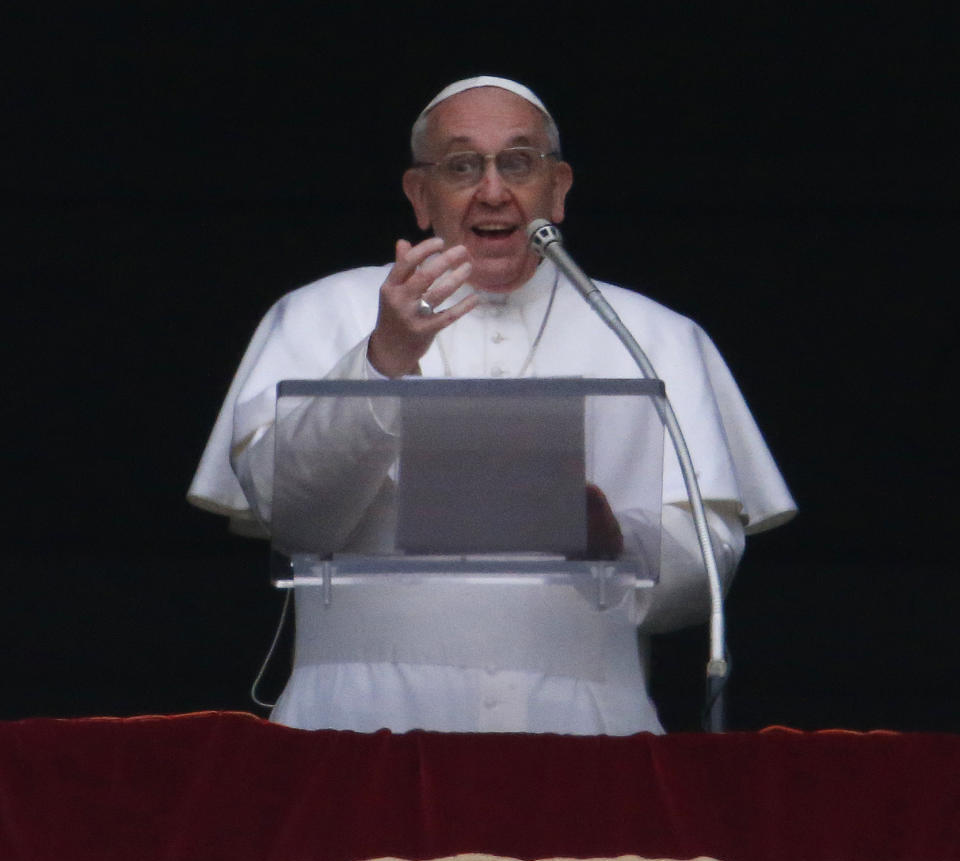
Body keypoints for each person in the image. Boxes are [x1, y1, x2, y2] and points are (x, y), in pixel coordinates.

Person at [189, 76, 796, 735]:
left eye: (518, 161)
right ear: (419, 196)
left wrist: (616, 540)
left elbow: (707, 567)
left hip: (587, 734)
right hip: (355, 729)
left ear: (557, 189)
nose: (493, 189)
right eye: (460, 165)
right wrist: (383, 357)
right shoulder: (319, 312)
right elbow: (294, 516)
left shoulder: (653, 336)